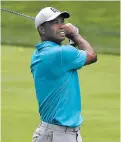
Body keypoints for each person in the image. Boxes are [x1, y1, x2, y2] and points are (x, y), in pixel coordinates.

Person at [30, 7, 97, 142]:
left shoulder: (42, 53)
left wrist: (72, 42)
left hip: (55, 133)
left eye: (62, 21)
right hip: (59, 135)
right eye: (55, 22)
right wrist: (75, 36)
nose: (62, 26)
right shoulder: (60, 54)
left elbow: (67, 60)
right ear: (42, 30)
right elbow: (92, 56)